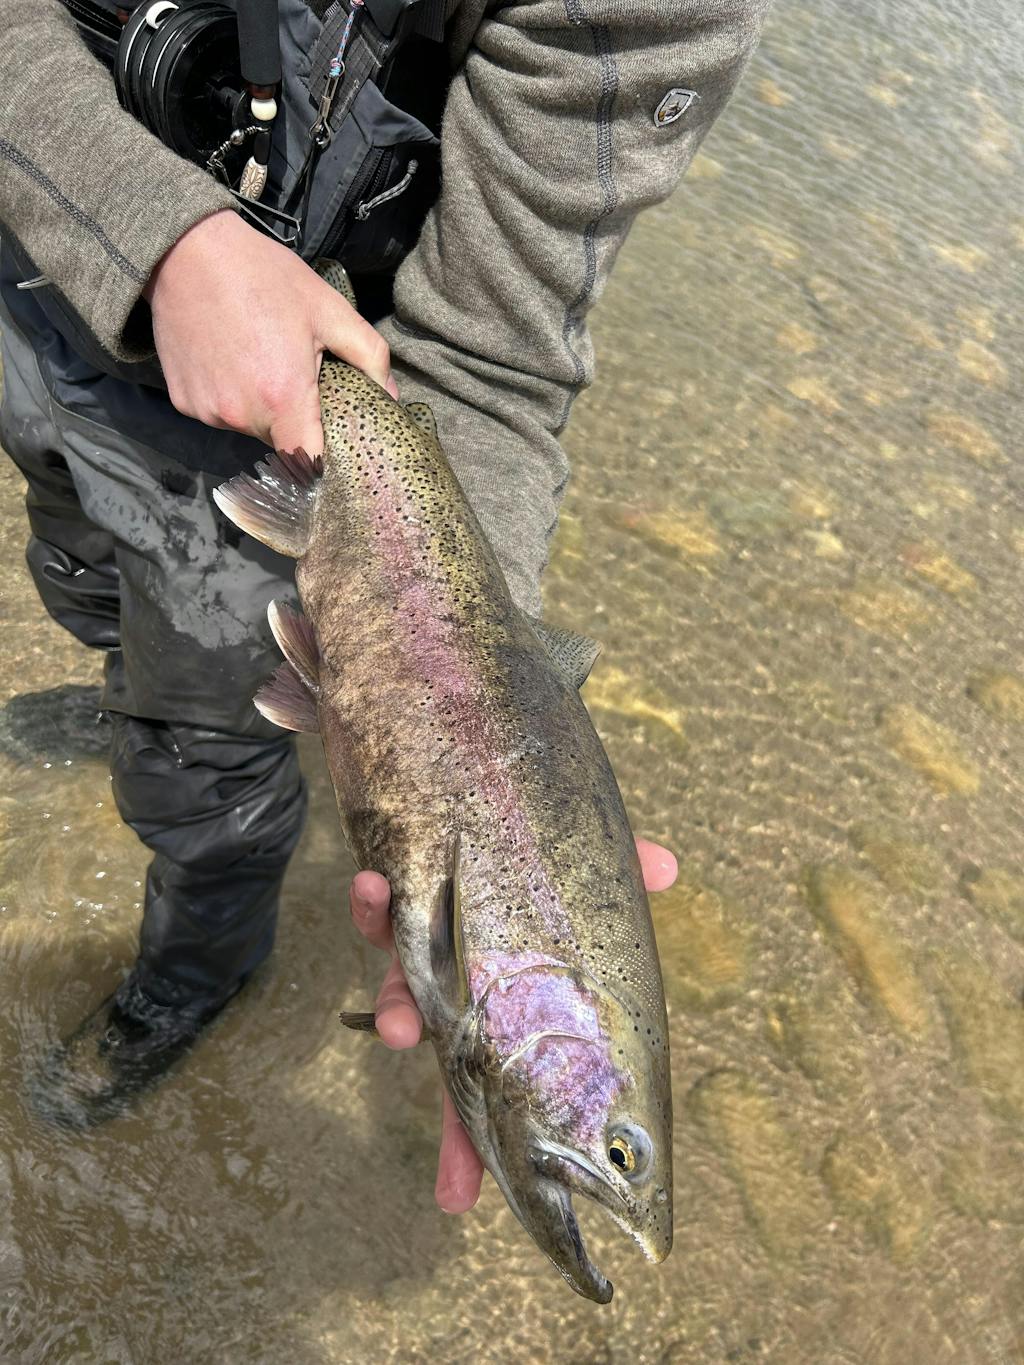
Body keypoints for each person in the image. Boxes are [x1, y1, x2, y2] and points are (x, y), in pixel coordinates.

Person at [0, 0, 769, 1211]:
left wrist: (458, 678)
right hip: (27, 267)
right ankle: (125, 698)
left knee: (217, 744)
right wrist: (154, 239)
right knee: (84, 573)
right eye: (618, 1148)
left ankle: (198, 967)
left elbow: (488, 364)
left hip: (289, 425)